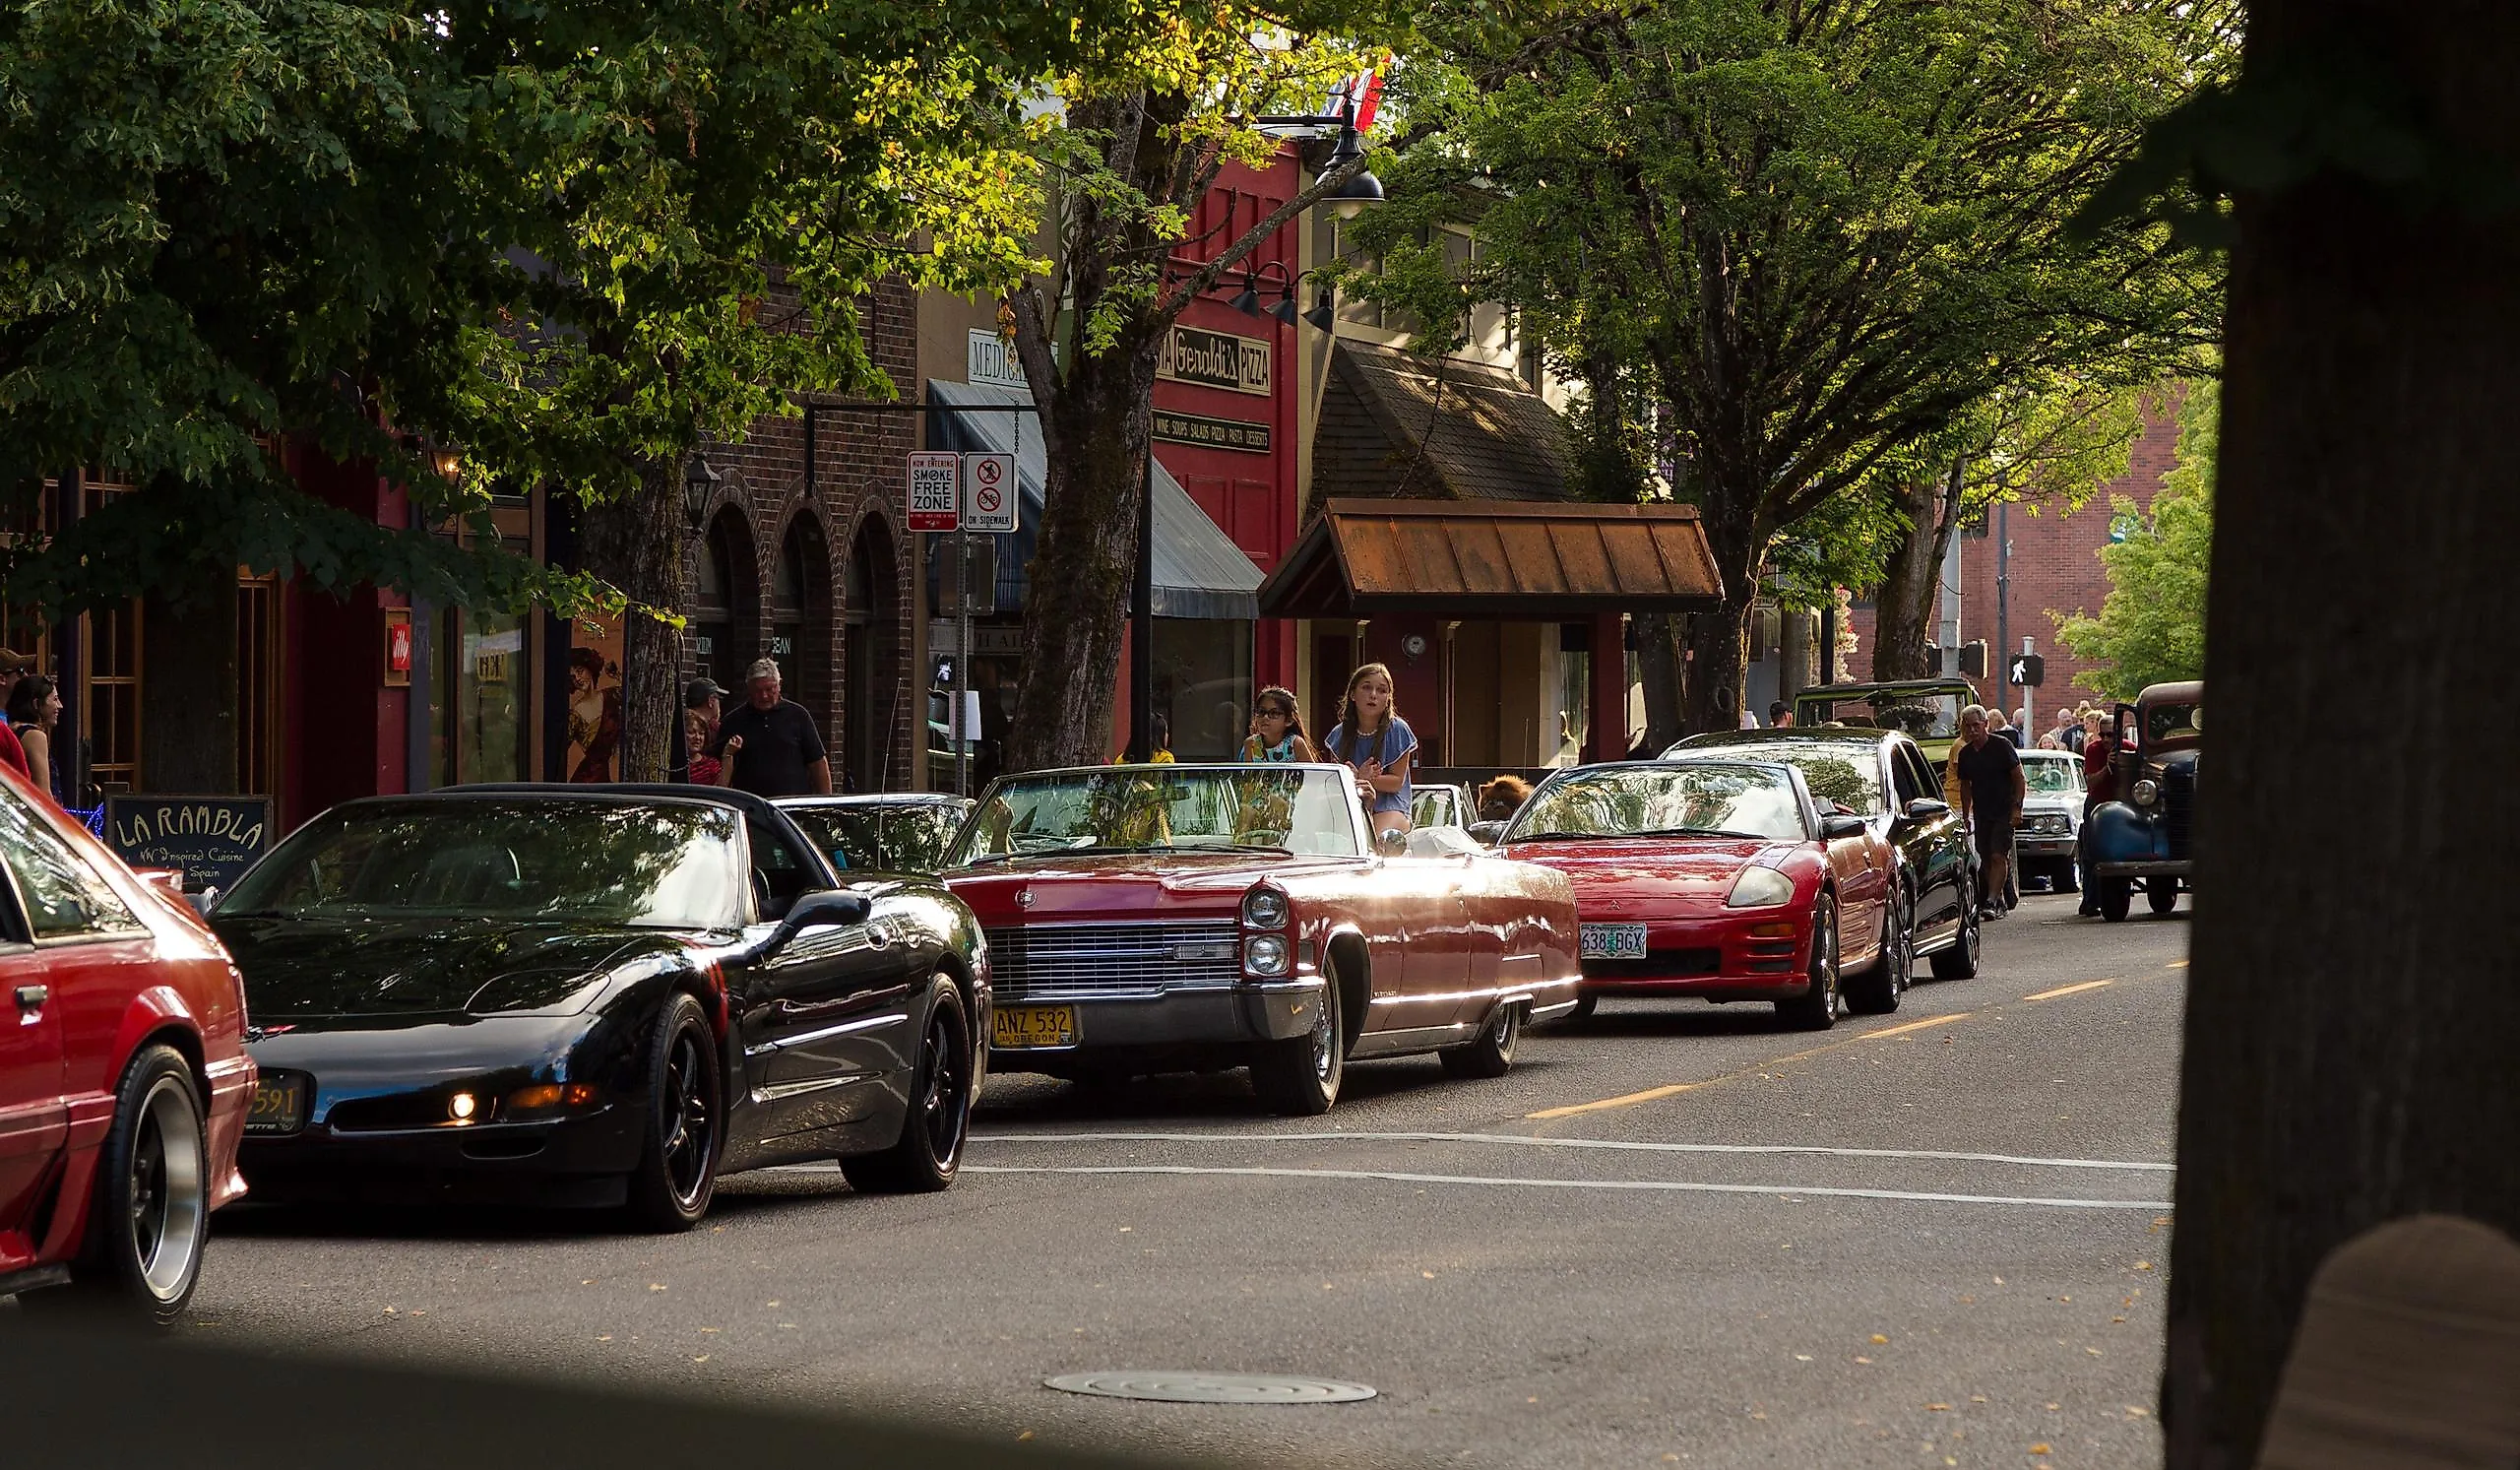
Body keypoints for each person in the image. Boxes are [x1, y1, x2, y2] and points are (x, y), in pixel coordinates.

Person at [706, 659, 833, 798]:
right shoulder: (733, 721)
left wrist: (825, 802)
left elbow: (817, 762)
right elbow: (717, 768)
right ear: (748, 689)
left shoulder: (798, 716)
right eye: (757, 691)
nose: (764, 696)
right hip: (751, 806)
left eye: (769, 689)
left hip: (790, 807)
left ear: (779, 686)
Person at [1321, 663, 1417, 839]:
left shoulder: (1398, 729)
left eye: (1381, 690)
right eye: (1366, 688)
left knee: (1372, 840)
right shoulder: (1338, 734)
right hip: (1350, 805)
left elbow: (1396, 782)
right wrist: (1357, 781)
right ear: (1352, 695)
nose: (1373, 695)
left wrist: (1363, 779)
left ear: (1388, 698)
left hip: (1390, 806)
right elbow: (1336, 781)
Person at [1953, 704, 2025, 920]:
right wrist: (1966, 816)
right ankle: (1999, 898)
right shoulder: (1965, 754)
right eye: (1968, 726)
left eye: (1976, 725)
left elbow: (2019, 778)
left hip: (2004, 809)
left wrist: (2017, 807)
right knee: (1985, 857)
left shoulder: (2001, 746)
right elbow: (1965, 786)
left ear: (1986, 724)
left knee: (1998, 854)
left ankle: (1991, 901)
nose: (1972, 730)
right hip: (1982, 811)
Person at [2077, 708, 2119, 916]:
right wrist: (2108, 767)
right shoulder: (2093, 750)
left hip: (2120, 806)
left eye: (2110, 735)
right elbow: (2091, 782)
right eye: (2102, 734)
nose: (2105, 739)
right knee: (2091, 852)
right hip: (2096, 804)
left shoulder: (2129, 748)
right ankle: (2090, 900)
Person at [565, 648, 623, 782]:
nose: (578, 679)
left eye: (580, 672)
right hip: (587, 779)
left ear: (590, 669)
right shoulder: (575, 714)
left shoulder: (611, 696)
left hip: (607, 774)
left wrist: (616, 675)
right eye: (573, 677)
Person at [7, 675, 64, 805]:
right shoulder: (35, 736)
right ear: (36, 704)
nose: (59, 706)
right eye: (55, 699)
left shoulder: (12, 728)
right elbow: (43, 792)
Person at [1239, 686, 1318, 763]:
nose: (1265, 717)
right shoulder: (1250, 744)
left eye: (1274, 713)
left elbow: (1313, 774)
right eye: (1261, 712)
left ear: (1288, 720)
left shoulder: (1295, 744)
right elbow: (1248, 775)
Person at [685, 708, 724, 786]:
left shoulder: (712, 765)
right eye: (691, 732)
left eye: (701, 733)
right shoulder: (670, 763)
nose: (697, 737)